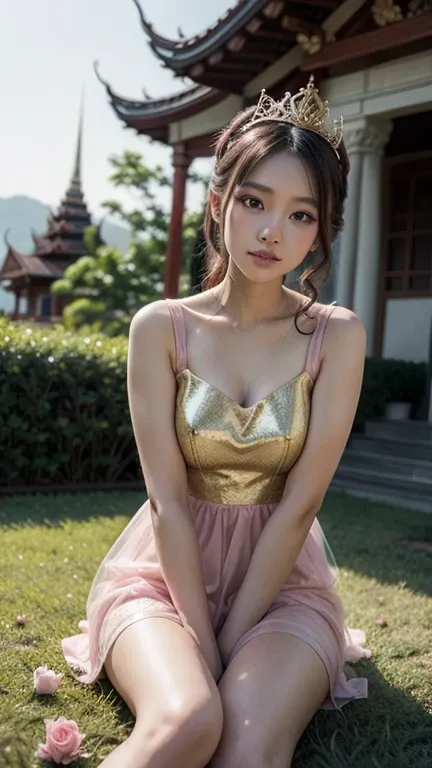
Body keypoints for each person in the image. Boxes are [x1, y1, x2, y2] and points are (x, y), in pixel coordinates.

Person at [62, 77, 371, 768]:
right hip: (162, 577)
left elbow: (300, 506)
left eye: (301, 215)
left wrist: (237, 637)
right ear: (217, 201)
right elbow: (168, 500)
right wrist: (200, 642)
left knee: (247, 745)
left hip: (283, 582)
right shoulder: (161, 328)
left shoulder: (336, 336)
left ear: (322, 230)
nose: (271, 231)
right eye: (255, 201)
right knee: (188, 720)